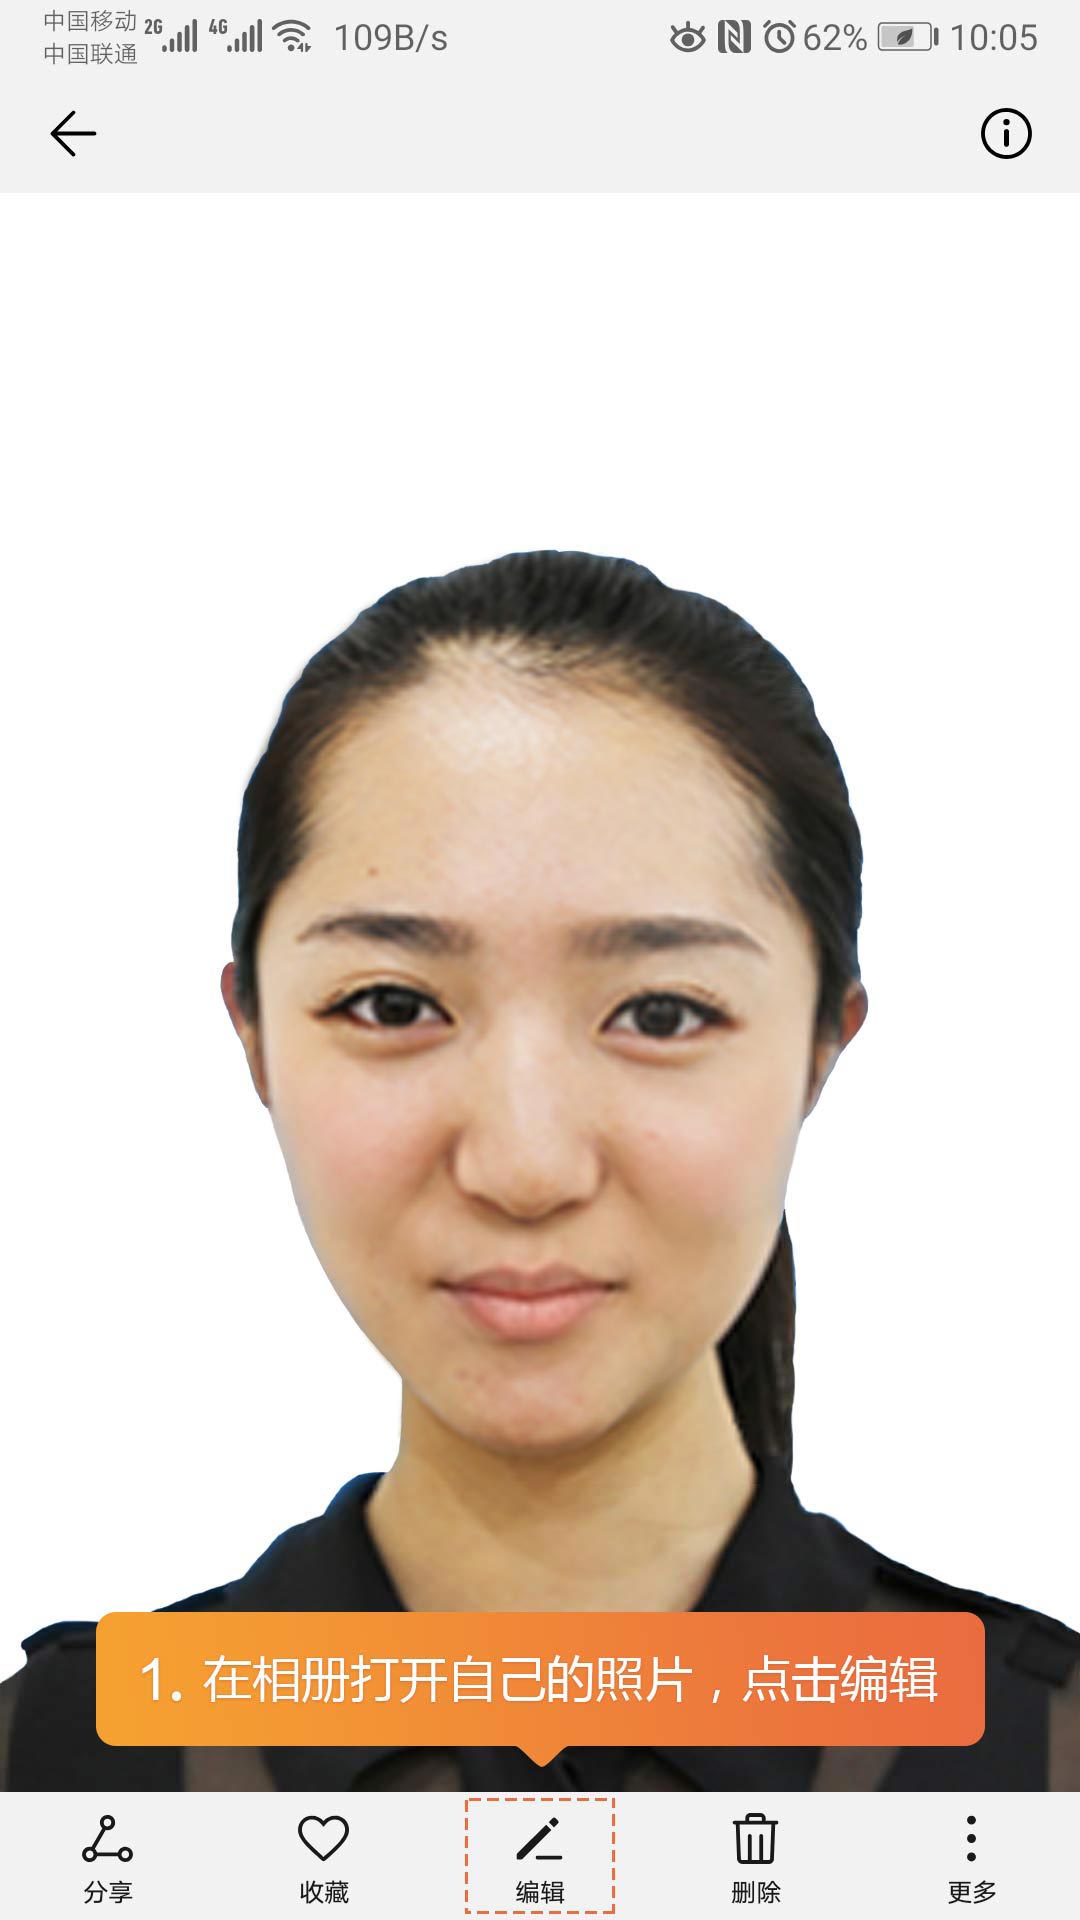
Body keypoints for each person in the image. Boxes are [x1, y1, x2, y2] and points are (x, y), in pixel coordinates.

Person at [2, 550, 1077, 1791]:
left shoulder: (1039, 1767)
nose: (523, 1167)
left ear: (821, 1048)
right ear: (255, 1038)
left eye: (662, 1014)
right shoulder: (56, 1775)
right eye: (393, 1003)